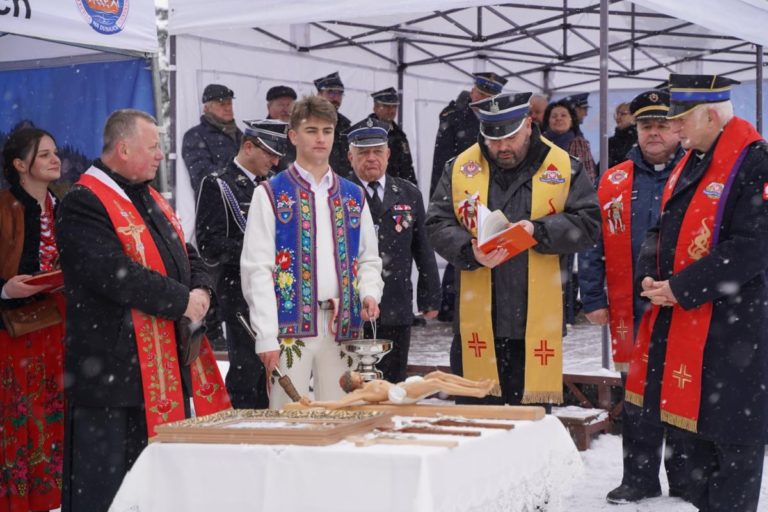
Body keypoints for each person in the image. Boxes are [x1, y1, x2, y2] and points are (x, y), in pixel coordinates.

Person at [56, 109, 231, 512]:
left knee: (152, 487)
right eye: (153, 147)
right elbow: (115, 275)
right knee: (105, 489)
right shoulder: (84, 201)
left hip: (158, 367)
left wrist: (202, 288)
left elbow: (185, 251)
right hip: (111, 375)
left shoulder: (147, 195)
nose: (159, 155)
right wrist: (182, 300)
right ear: (123, 149)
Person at [626, 74, 768, 512]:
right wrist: (650, 278)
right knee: (694, 452)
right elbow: (661, 227)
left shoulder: (756, 162)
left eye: (681, 119)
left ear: (710, 115)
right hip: (687, 322)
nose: (673, 128)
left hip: (734, 329)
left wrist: (682, 287)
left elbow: (753, 246)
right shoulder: (693, 159)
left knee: (734, 447)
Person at [426, 92, 600, 406]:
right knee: (476, 422)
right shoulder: (460, 166)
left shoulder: (564, 166)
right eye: (493, 140)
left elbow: (589, 224)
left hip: (534, 326)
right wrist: (468, 250)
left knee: (530, 426)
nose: (502, 147)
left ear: (529, 125)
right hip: (477, 323)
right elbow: (436, 222)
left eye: (510, 137)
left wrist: (538, 230)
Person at [578, 90, 689, 504]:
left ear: (677, 128)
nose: (654, 133)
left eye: (662, 125)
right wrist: (593, 298)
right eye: (646, 126)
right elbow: (594, 244)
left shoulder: (696, 174)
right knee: (638, 396)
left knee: (684, 390)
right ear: (636, 130)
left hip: (686, 305)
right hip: (633, 309)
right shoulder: (614, 180)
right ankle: (639, 479)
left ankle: (686, 478)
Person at [241, 96, 384, 410]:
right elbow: (257, 269)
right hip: (288, 329)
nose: (321, 138)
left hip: (344, 326)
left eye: (327, 131)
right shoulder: (271, 193)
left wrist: (370, 293)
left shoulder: (353, 195)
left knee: (343, 413)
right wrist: (265, 335)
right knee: (288, 415)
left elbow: (369, 259)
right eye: (311, 130)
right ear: (293, 136)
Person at [196, 120, 288, 409]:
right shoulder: (219, 184)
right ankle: (245, 427)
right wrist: (259, 253)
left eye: (277, 156)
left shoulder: (275, 186)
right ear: (248, 146)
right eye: (270, 154)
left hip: (279, 292)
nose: (275, 162)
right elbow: (209, 244)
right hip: (240, 293)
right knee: (247, 372)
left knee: (280, 370)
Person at [346, 118, 441, 383]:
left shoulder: (408, 194)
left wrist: (430, 297)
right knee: (353, 382)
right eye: (363, 153)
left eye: (377, 151)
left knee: (394, 380)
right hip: (353, 306)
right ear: (350, 157)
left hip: (395, 302)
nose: (371, 158)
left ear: (388, 154)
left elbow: (423, 248)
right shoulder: (340, 193)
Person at [0, 128, 66, 512]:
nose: (55, 160)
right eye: (44, 155)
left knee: (51, 416)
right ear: (20, 165)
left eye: (55, 152)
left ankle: (48, 498)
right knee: (19, 418)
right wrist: (6, 289)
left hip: (57, 330)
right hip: (14, 334)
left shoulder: (65, 206)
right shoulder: (5, 208)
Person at [430, 72, 508, 324]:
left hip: (489, 190)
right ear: (473, 92)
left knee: (487, 243)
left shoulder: (498, 119)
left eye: (488, 97)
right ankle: (450, 304)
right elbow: (442, 160)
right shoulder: (453, 116)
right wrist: (440, 192)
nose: (483, 101)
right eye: (480, 95)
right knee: (461, 246)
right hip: (460, 188)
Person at [300, 370, 496, 409]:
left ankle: (476, 385)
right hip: (403, 395)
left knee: (437, 374)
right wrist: (314, 402)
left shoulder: (368, 384)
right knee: (437, 383)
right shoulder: (360, 393)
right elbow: (338, 403)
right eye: (355, 375)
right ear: (352, 383)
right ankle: (477, 393)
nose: (359, 374)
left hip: (404, 387)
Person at [182, 83, 242, 195]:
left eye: (229, 103)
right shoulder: (194, 135)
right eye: (222, 104)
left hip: (243, 201)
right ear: (206, 108)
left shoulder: (239, 134)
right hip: (215, 202)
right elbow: (202, 174)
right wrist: (238, 178)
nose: (228, 108)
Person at [365, 87, 417, 184]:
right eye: (386, 106)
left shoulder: (400, 136)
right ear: (375, 108)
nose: (391, 110)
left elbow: (408, 168)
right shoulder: (365, 133)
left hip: (397, 189)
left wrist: (412, 188)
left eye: (394, 107)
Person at [542, 99, 596, 183]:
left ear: (571, 121)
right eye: (554, 116)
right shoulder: (540, 142)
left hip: (573, 189)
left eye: (563, 115)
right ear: (548, 121)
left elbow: (589, 176)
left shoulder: (580, 143)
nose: (558, 118)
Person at [315, 72, 353, 179]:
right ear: (319, 95)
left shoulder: (346, 126)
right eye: (330, 92)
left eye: (339, 93)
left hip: (342, 182)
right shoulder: (308, 121)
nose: (335, 98)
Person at [265, 85, 297, 172]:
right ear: (269, 107)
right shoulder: (261, 134)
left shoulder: (299, 133)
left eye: (289, 105)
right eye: (281, 105)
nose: (285, 110)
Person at [607, 102, 637, 168]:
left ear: (634, 116)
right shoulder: (611, 142)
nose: (618, 117)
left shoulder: (642, 140)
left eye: (622, 114)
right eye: (617, 114)